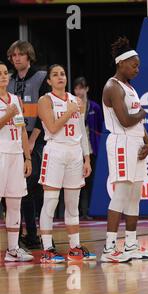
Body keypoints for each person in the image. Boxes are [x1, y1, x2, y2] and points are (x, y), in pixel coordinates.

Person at [100, 36, 148, 263]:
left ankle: (131, 244)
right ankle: (109, 247)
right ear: (120, 63)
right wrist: (143, 113)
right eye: (134, 65)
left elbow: (137, 122)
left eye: (138, 65)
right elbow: (125, 120)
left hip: (136, 142)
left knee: (135, 196)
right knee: (122, 194)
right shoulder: (112, 86)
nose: (137, 69)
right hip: (121, 142)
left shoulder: (130, 88)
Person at [37, 64, 96, 263]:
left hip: (75, 153)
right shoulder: (45, 100)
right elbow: (52, 128)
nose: (60, 77)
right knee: (51, 201)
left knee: (73, 204)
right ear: (49, 81)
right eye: (55, 75)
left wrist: (87, 158)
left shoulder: (75, 100)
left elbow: (82, 131)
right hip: (55, 150)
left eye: (62, 74)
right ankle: (47, 249)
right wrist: (69, 111)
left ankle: (74, 247)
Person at [6, 40, 48, 250]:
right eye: (13, 55)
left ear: (28, 56)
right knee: (18, 190)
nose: (17, 58)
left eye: (20, 54)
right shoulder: (9, 81)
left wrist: (31, 141)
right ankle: (28, 235)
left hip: (37, 139)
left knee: (30, 184)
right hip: (14, 141)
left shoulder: (41, 77)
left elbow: (44, 110)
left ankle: (33, 233)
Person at [0, 60, 34, 262]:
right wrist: (7, 116)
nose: (4, 76)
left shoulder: (15, 99)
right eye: (0, 73)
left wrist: (27, 156)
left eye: (5, 72)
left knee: (15, 203)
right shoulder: (11, 106)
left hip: (15, 155)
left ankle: (13, 250)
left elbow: (21, 129)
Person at [73, 76, 104, 218]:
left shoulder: (95, 107)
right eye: (76, 88)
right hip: (75, 148)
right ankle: (77, 211)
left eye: (81, 88)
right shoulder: (72, 105)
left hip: (92, 148)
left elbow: (99, 127)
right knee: (76, 182)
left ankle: (89, 211)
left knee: (90, 182)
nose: (79, 91)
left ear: (87, 89)